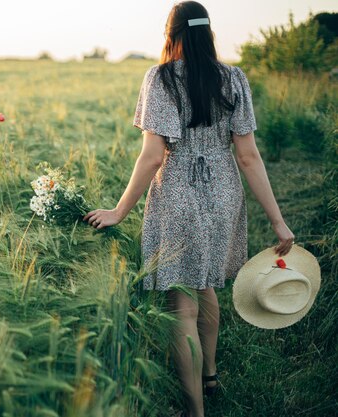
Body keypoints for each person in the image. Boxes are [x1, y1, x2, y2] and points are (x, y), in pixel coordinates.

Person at [82, 1, 295, 416]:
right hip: (222, 194)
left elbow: (152, 156)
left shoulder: (161, 78)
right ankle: (210, 373)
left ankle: (194, 409)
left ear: (172, 34)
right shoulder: (234, 78)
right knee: (206, 284)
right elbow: (249, 157)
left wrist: (119, 211)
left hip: (178, 194)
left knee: (182, 304)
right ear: (209, 34)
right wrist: (278, 220)